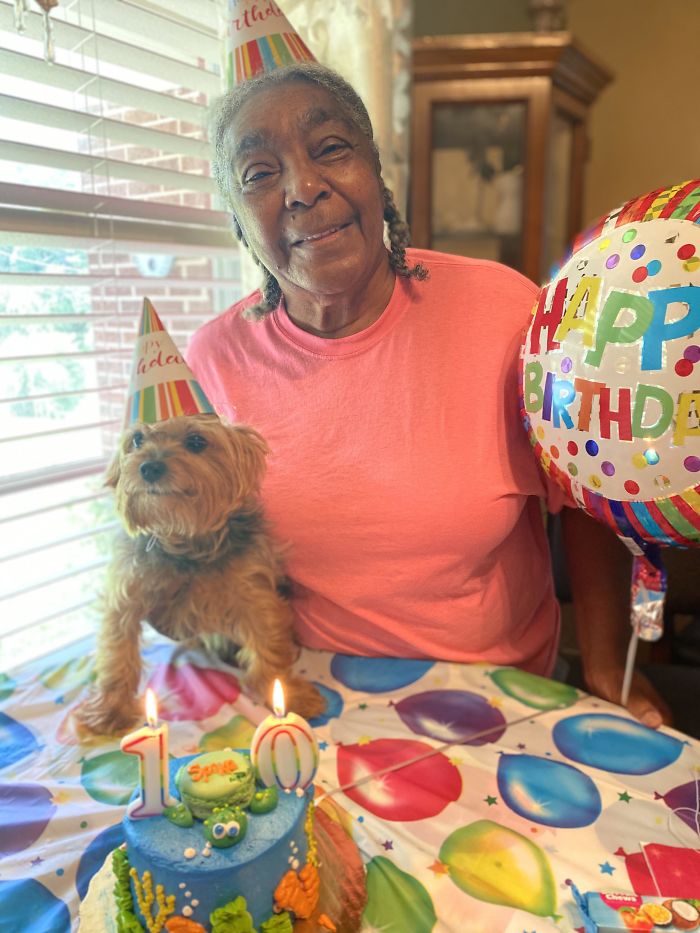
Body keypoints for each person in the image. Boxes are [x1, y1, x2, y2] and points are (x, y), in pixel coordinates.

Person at [187, 61, 670, 728]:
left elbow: (584, 498)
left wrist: (608, 671)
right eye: (259, 174)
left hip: (502, 701)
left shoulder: (506, 310)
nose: (302, 187)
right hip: (313, 700)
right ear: (238, 222)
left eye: (331, 148)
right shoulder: (213, 359)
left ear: (376, 177)